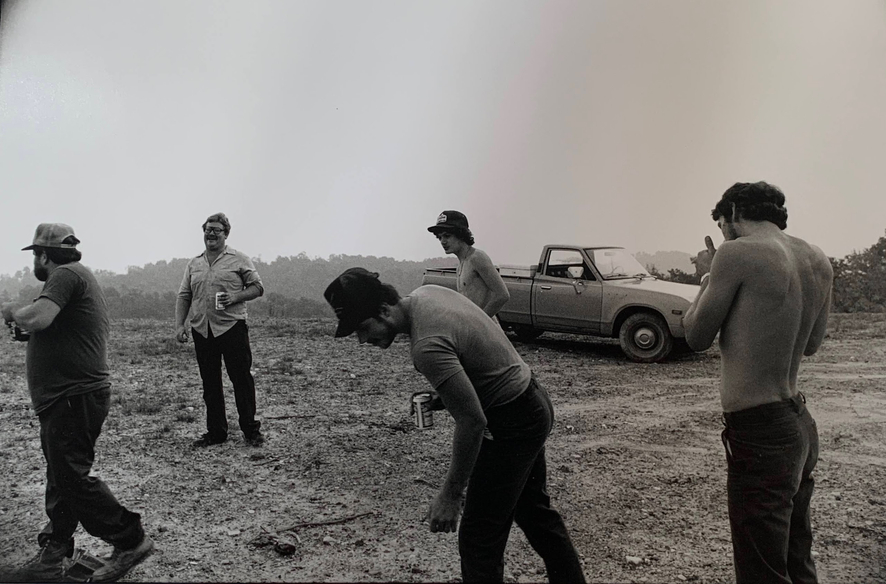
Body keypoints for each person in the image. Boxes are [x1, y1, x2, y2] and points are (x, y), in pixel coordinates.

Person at [324, 268, 586, 583]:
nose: (362, 339)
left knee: (478, 540)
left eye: (362, 328)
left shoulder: (425, 347)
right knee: (535, 513)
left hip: (513, 421)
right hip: (532, 400)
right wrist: (444, 397)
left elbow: (472, 421)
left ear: (383, 309)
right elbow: (478, 357)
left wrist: (451, 495)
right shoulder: (427, 295)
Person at [683, 182, 833, 584]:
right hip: (799, 421)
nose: (723, 236)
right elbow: (812, 345)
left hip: (760, 429)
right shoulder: (817, 258)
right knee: (796, 557)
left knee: (761, 571)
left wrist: (707, 279)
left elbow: (695, 336)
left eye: (721, 226)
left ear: (733, 213)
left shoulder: (736, 253)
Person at [0, 223, 153, 582]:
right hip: (68, 397)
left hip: (73, 396)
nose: (35, 262)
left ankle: (130, 539)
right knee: (61, 475)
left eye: (35, 255)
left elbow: (39, 316)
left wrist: (12, 311)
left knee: (71, 476)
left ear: (43, 255)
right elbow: (55, 326)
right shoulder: (74, 276)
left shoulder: (65, 274)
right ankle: (53, 555)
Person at [175, 212, 265, 447]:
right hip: (202, 330)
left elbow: (257, 287)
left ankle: (251, 431)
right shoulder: (194, 263)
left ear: (226, 234)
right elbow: (184, 295)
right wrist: (179, 325)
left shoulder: (239, 259)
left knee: (241, 380)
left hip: (232, 327)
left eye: (216, 230)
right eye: (208, 230)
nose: (211, 234)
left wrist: (235, 297)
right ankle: (216, 433)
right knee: (210, 383)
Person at [428, 210, 510, 318]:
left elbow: (502, 295)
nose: (443, 241)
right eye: (440, 237)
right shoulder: (461, 265)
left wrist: (479, 321)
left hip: (484, 325)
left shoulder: (477, 257)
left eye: (447, 236)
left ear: (461, 235)